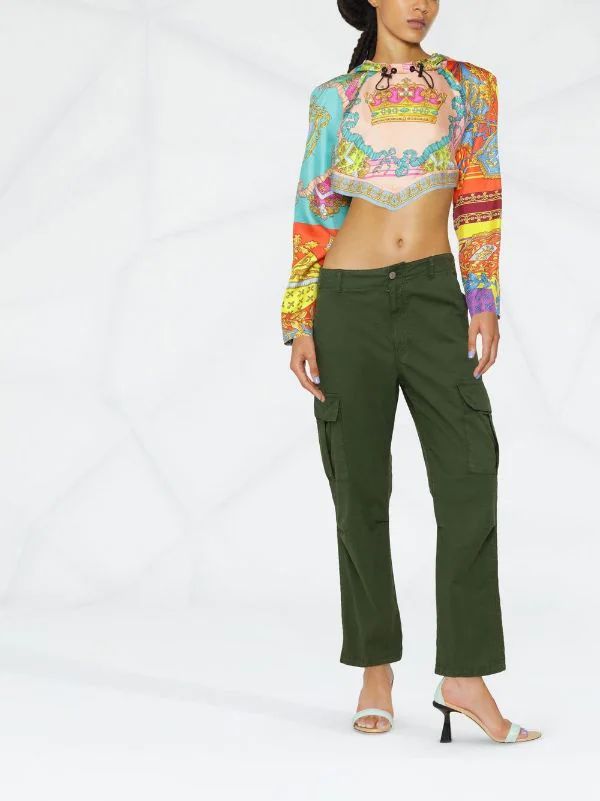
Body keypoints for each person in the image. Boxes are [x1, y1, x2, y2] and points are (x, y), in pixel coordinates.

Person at [280, 0, 541, 744]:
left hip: (433, 296)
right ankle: (375, 668)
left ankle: (465, 675)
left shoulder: (471, 87)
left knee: (469, 473)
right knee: (359, 485)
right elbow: (313, 208)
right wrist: (299, 316)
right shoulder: (335, 98)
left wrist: (483, 298)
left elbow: (481, 193)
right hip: (347, 299)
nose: (420, 3)